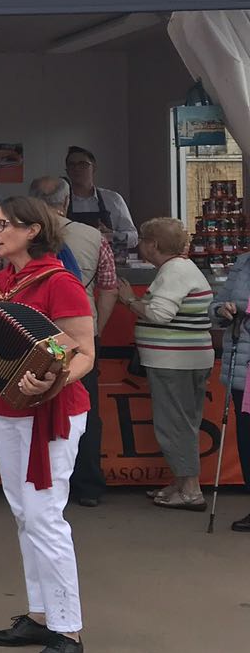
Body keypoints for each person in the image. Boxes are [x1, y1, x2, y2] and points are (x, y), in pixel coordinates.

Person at [0, 196, 96, 653]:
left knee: (45, 516)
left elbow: (84, 354)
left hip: (52, 414)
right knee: (25, 513)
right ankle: (40, 614)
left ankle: (68, 629)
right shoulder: (0, 283)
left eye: (3, 224)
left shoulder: (60, 283)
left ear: (32, 230)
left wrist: (54, 379)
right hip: (5, 409)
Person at [29, 176, 119, 508]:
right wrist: (95, 328)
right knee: (82, 407)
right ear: (66, 202)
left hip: (34, 333)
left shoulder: (20, 234)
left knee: (29, 402)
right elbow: (108, 287)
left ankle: (40, 482)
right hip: (80, 335)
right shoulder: (94, 237)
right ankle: (88, 485)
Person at [119, 218, 213, 510]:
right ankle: (181, 482)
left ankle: (190, 490)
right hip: (186, 358)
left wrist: (129, 300)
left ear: (154, 245)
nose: (140, 245)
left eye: (144, 240)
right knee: (184, 421)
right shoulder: (180, 269)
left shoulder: (174, 271)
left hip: (175, 361)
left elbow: (160, 314)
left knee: (174, 424)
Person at [210, 246, 250, 532]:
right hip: (243, 367)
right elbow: (216, 305)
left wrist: (244, 306)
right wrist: (222, 310)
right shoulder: (243, 261)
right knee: (247, 439)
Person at [64, 146, 138, 250]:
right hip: (70, 263)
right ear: (67, 171)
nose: (76, 168)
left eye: (83, 164)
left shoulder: (113, 199)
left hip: (108, 263)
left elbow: (134, 238)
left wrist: (111, 236)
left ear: (94, 168)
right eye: (72, 165)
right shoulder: (61, 201)